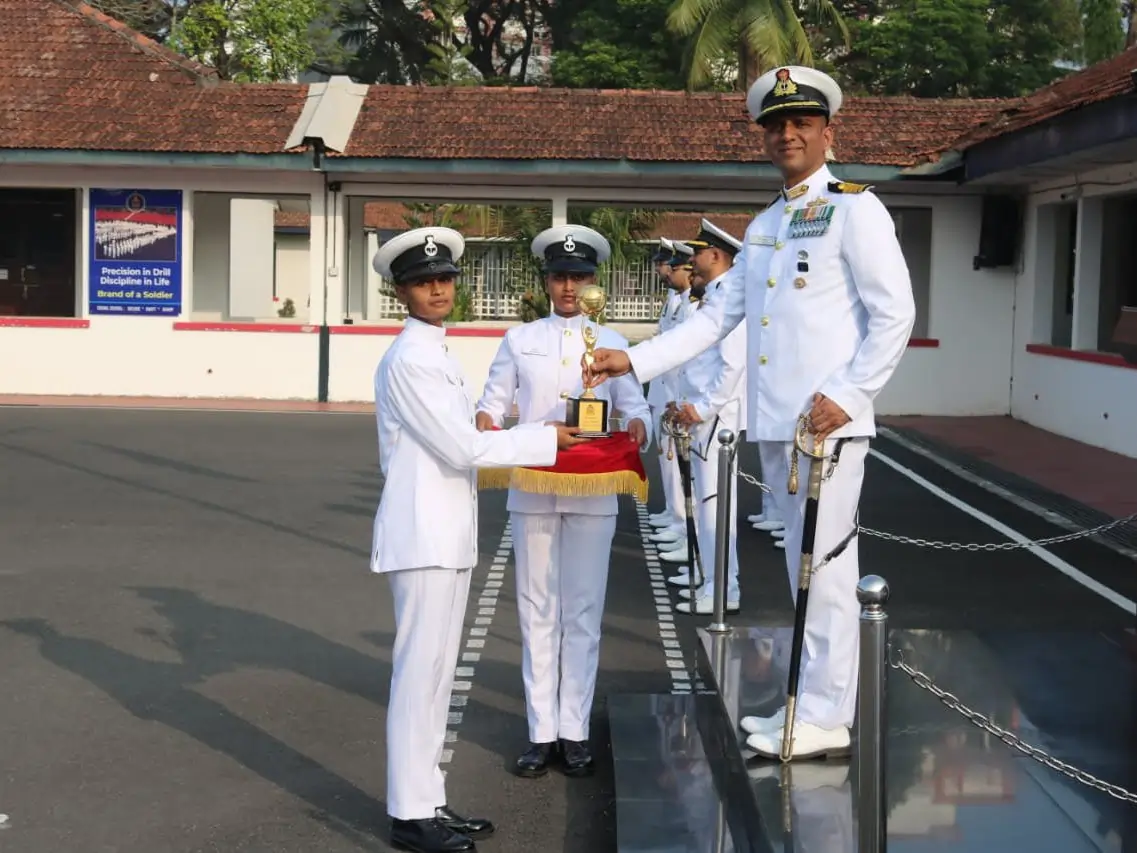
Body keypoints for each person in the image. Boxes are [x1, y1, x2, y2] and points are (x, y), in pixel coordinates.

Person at [584, 65, 916, 761]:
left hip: (827, 425)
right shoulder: (765, 224)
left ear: (828, 131)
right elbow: (715, 321)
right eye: (775, 125)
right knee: (803, 572)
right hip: (777, 427)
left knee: (825, 570)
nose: (787, 134)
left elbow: (895, 314)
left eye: (800, 122)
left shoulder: (856, 208)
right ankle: (812, 703)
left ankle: (827, 712)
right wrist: (634, 361)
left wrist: (850, 395)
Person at [371, 226, 584, 853]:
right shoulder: (410, 358)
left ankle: (429, 800)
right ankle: (410, 816)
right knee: (419, 674)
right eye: (422, 282)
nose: (437, 289)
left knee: (437, 674)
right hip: (422, 535)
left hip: (443, 533)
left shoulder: (433, 350)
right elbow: (464, 446)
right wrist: (546, 439)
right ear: (401, 292)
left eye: (444, 280)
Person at [475, 224, 651, 778]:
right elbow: (493, 403)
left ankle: (573, 730)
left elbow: (635, 405)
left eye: (579, 277)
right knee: (536, 611)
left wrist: (641, 427)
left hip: (592, 486)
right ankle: (540, 731)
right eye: (560, 276)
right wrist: (484, 424)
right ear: (546, 281)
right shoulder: (518, 339)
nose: (569, 286)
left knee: (582, 611)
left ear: (593, 283)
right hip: (534, 482)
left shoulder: (614, 343)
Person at [667, 219, 747, 615]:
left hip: (716, 422)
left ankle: (723, 588)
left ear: (716, 255)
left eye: (697, 253)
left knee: (717, 506)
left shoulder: (729, 296)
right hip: (701, 417)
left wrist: (701, 408)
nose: (692, 262)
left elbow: (732, 367)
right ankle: (710, 578)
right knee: (705, 502)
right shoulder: (714, 295)